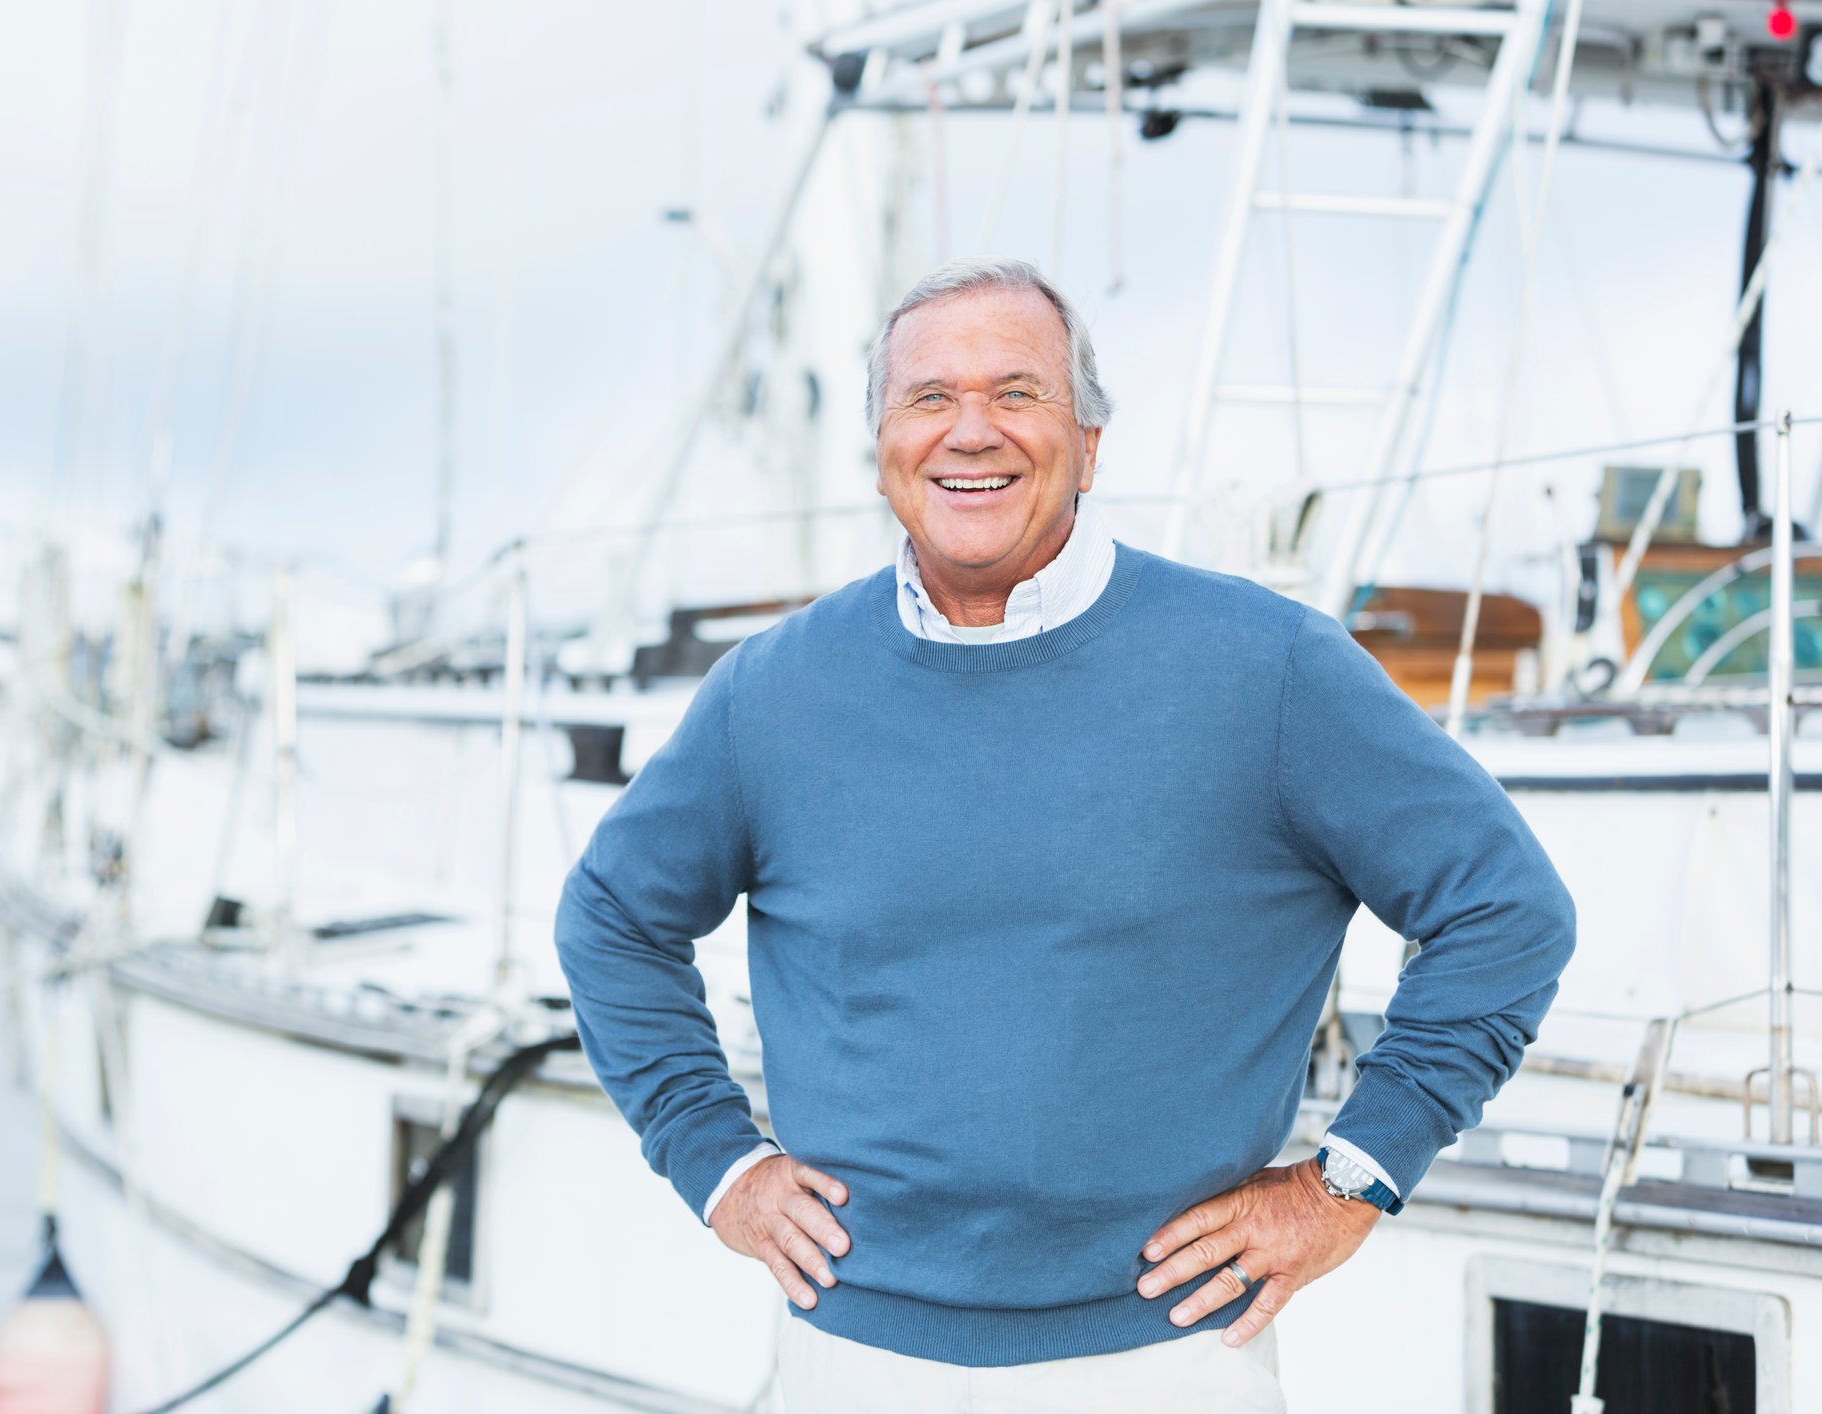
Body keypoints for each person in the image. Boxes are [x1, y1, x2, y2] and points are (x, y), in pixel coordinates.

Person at [554, 257, 1575, 1411]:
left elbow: (1506, 910)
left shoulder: (1267, 669)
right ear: (884, 444)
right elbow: (611, 917)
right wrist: (718, 1158)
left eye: (1017, 393)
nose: (969, 432)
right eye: (928, 398)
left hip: (1170, 1358)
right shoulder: (772, 691)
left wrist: (1351, 1180)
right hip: (853, 1360)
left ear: (1090, 440)